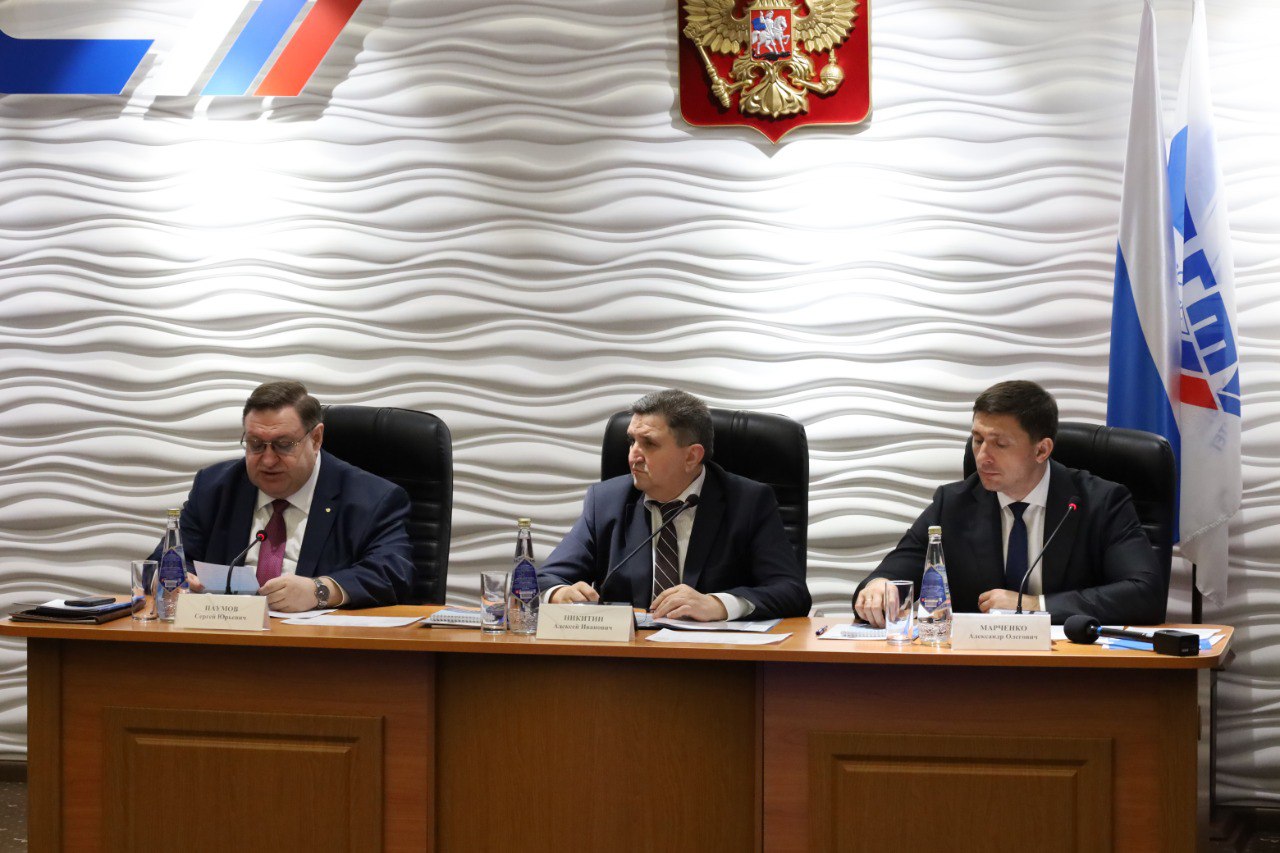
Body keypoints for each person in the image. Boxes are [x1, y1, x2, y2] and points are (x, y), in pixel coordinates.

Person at [853, 380, 1166, 627]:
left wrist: (1033, 606)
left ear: (1041, 451)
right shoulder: (953, 504)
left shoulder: (1100, 502)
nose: (982, 456)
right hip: (976, 671)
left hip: (1073, 668)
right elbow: (895, 569)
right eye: (977, 440)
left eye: (1000, 444)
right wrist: (880, 586)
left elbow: (1145, 594)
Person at [538, 389, 811, 621]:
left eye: (649, 443)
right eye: (632, 441)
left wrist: (718, 604)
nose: (633, 456)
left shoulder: (748, 502)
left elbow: (791, 591)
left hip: (715, 656)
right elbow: (544, 578)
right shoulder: (606, 501)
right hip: (627, 656)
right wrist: (559, 593)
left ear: (691, 457)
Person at [151, 380, 413, 611]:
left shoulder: (372, 498)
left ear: (316, 439)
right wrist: (176, 578)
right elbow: (162, 563)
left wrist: (320, 591)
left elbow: (393, 573)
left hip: (320, 644)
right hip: (225, 637)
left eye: (283, 445)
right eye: (256, 444)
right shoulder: (215, 487)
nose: (267, 460)